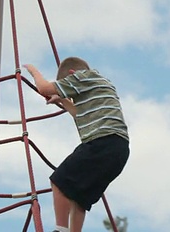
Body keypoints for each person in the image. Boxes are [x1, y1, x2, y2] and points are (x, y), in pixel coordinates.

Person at [23, 57, 130, 232]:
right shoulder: (101, 83)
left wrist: (34, 71)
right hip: (119, 150)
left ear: (72, 74)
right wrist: (61, 100)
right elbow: (80, 115)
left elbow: (43, 88)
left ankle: (60, 229)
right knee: (80, 197)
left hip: (101, 142)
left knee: (58, 180)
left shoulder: (81, 77)